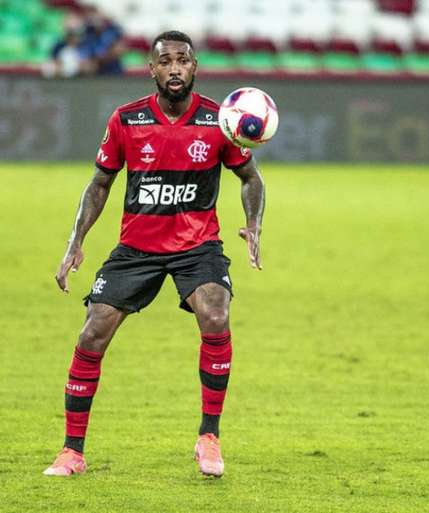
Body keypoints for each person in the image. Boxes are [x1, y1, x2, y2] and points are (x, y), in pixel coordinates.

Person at [43, 30, 265, 478]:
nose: (175, 68)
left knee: (216, 314)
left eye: (183, 60)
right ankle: (72, 451)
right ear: (152, 69)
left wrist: (255, 223)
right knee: (92, 334)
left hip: (197, 246)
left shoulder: (221, 120)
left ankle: (208, 438)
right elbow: (100, 183)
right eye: (165, 61)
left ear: (195, 66)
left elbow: (251, 179)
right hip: (137, 247)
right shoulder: (126, 120)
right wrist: (75, 241)